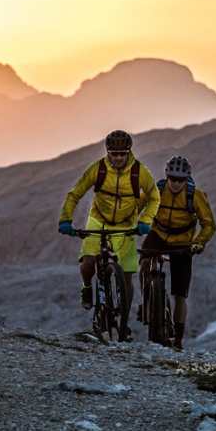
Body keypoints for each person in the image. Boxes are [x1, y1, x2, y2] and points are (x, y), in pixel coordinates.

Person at [58, 130, 160, 339]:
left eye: (122, 154)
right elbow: (75, 194)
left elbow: (154, 197)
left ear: (129, 152)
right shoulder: (98, 169)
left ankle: (123, 321)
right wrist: (65, 220)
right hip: (99, 221)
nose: (118, 158)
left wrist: (145, 221)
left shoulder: (139, 172)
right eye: (114, 153)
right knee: (88, 263)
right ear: (108, 152)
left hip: (126, 224)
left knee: (127, 275)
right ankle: (87, 287)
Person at [139, 155, 216, 350]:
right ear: (167, 176)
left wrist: (198, 243)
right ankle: (147, 298)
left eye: (180, 180)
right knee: (144, 259)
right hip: (158, 234)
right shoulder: (157, 191)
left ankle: (179, 339)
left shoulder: (195, 195)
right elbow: (136, 207)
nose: (175, 183)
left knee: (180, 294)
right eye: (172, 178)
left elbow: (209, 225)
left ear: (187, 179)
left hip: (183, 242)